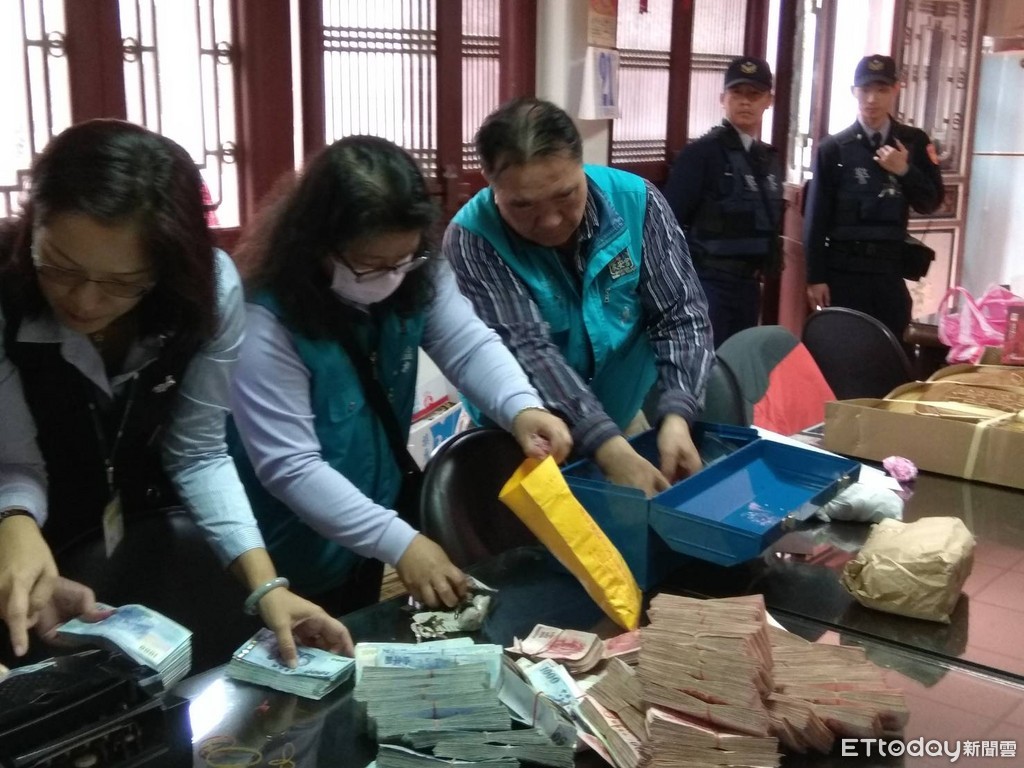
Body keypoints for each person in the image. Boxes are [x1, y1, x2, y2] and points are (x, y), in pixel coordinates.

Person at [0, 120, 350, 667]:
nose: (85, 301)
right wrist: (15, 523)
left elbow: (198, 451)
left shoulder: (206, 292)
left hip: (138, 520)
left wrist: (267, 587)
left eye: (122, 283)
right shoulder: (7, 290)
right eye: (60, 267)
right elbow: (14, 461)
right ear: (32, 228)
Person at [226, 135, 572, 616]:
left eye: (402, 261)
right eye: (370, 266)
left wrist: (521, 406)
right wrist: (400, 542)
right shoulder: (266, 321)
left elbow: (468, 344)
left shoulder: (418, 271)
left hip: (367, 523)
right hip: (283, 545)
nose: (390, 277)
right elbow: (291, 466)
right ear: (318, 243)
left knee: (356, 626)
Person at [444, 98, 714, 499]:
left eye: (566, 195)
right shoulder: (473, 239)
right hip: (519, 441)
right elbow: (528, 349)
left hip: (621, 423)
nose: (551, 220)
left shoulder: (637, 202)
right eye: (523, 205)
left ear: (581, 163)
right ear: (490, 184)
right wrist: (605, 444)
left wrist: (677, 413)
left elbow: (680, 313)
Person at [803, 54, 944, 341]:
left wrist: (905, 170)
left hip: (889, 273)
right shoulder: (833, 148)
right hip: (843, 272)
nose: (872, 99)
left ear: (896, 89)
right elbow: (816, 219)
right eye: (865, 89)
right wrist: (816, 277)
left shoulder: (914, 141)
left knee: (890, 350)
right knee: (843, 351)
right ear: (853, 91)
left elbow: (930, 202)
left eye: (881, 90)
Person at [664, 56, 783, 348]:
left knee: (737, 362)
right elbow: (667, 222)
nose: (745, 102)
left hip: (748, 286)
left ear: (768, 100)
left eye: (754, 94)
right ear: (722, 99)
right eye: (736, 93)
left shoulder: (766, 159)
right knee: (708, 363)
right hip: (708, 283)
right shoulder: (702, 154)